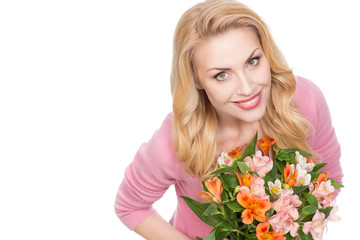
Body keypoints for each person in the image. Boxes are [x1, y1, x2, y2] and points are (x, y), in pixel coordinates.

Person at [114, 0, 343, 239]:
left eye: (252, 61)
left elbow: (329, 181)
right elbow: (130, 206)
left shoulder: (303, 100)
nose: (247, 88)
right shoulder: (179, 138)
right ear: (196, 80)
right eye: (222, 75)